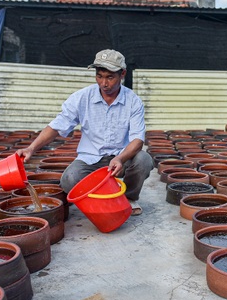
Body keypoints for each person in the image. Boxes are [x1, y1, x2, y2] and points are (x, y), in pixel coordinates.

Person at [17, 49, 153, 216]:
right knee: (69, 179)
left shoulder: (133, 101)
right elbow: (57, 125)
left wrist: (120, 158)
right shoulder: (82, 97)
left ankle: (129, 198)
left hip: (121, 157)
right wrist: (31, 148)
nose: (104, 83)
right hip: (91, 159)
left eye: (110, 77)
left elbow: (138, 140)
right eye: (99, 76)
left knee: (143, 160)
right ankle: (100, 199)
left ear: (122, 74)